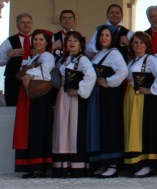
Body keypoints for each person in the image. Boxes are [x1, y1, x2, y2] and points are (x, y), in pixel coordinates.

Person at [123, 31, 157, 178]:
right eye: (135, 42)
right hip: (132, 97)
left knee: (145, 130)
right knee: (133, 130)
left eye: (142, 42)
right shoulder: (132, 60)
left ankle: (148, 164)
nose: (138, 45)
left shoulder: (150, 60)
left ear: (147, 45)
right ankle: (135, 162)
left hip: (145, 101)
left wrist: (152, 90)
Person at [51, 31, 97, 177]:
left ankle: (77, 166)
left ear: (80, 44)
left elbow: (91, 75)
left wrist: (79, 90)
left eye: (75, 41)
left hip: (75, 99)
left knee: (74, 128)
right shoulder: (65, 59)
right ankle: (63, 166)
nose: (72, 43)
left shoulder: (83, 60)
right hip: (63, 97)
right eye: (69, 41)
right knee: (62, 128)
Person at [87, 25, 129, 178]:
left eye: (107, 35)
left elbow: (123, 71)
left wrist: (109, 82)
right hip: (99, 96)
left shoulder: (114, 53)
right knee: (101, 128)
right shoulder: (99, 54)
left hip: (110, 97)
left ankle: (113, 164)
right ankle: (103, 163)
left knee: (110, 127)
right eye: (102, 35)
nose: (104, 38)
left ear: (112, 38)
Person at [12, 29, 55, 178]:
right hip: (29, 96)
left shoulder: (47, 56)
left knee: (37, 130)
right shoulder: (34, 57)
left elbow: (46, 73)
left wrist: (28, 74)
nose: (37, 42)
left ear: (47, 42)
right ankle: (32, 165)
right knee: (30, 130)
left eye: (41, 39)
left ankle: (39, 166)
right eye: (35, 39)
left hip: (39, 98)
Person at [0, 12, 34, 106]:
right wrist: (8, 55)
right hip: (14, 80)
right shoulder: (9, 41)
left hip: (34, 79)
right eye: (23, 22)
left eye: (28, 22)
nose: (26, 25)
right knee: (13, 106)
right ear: (17, 25)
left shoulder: (38, 40)